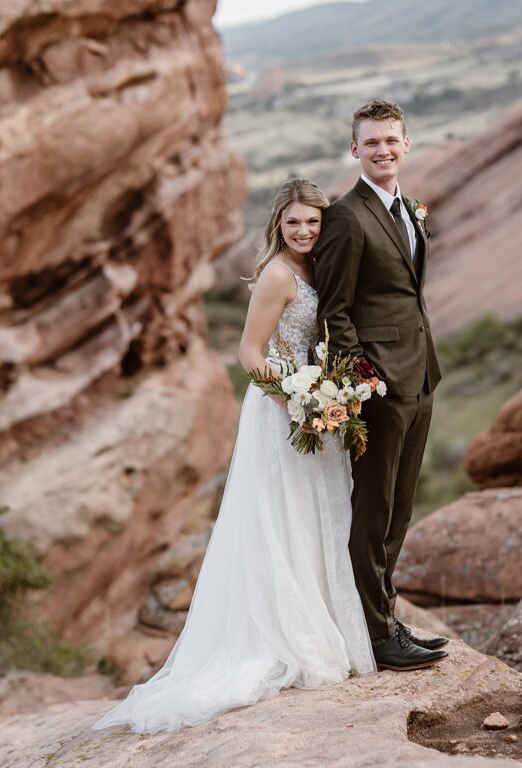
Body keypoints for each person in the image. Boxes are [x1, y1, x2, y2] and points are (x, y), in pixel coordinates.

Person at [92, 178, 375, 735]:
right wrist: (298, 398)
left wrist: (329, 398)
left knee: (322, 515)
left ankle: (331, 626)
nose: (303, 231)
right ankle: (290, 638)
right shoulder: (275, 274)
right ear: (278, 226)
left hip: (322, 408)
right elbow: (249, 352)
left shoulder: (321, 269)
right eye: (293, 223)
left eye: (313, 222)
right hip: (282, 411)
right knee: (283, 518)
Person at [314, 99, 449, 671]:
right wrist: (363, 378)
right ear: (355, 151)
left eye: (391, 140)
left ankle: (385, 616)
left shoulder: (407, 209)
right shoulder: (346, 215)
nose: (383, 150)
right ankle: (374, 636)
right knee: (372, 510)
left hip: (421, 373)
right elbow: (335, 308)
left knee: (399, 507)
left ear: (406, 144)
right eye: (371, 143)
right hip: (381, 384)